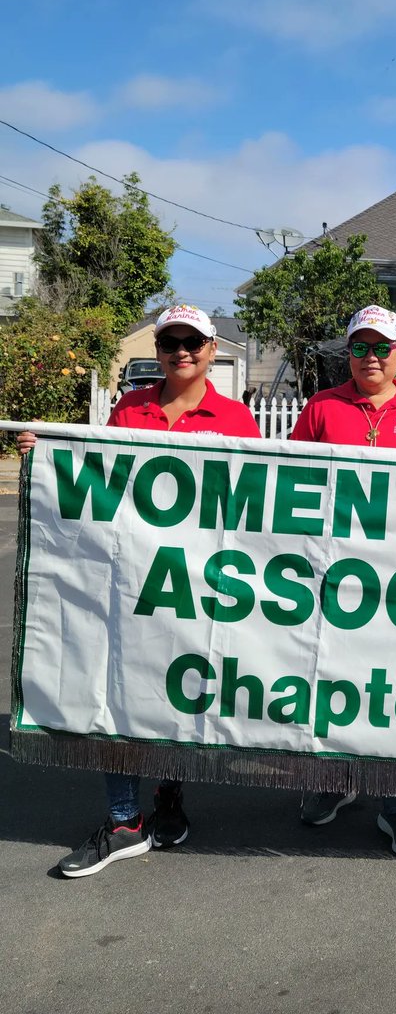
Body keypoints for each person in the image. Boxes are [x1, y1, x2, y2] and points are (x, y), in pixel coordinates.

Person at [18, 305, 261, 877]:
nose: (182, 352)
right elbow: (93, 473)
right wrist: (44, 455)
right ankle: (124, 821)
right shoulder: (131, 408)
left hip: (199, 586)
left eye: (193, 342)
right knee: (119, 688)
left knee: (177, 690)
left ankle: (168, 798)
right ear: (158, 349)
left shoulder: (235, 418)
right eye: (170, 342)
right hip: (128, 579)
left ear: (211, 349)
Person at [289, 304, 396, 858]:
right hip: (332, 577)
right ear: (348, 354)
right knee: (331, 678)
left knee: (394, 687)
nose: (370, 358)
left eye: (382, 348)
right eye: (359, 347)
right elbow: (285, 478)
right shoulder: (321, 406)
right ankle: (334, 782)